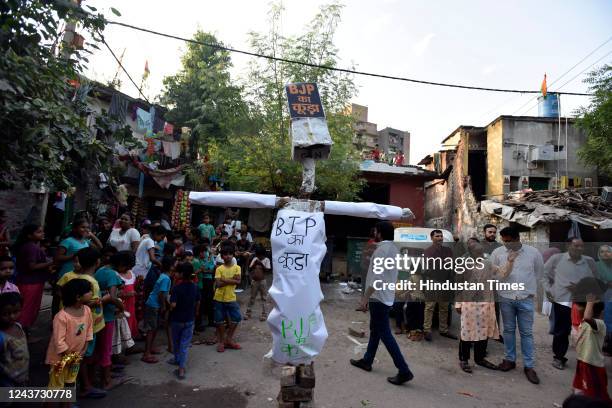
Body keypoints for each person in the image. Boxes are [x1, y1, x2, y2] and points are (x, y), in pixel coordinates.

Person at [350, 221, 414, 386]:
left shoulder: (383, 250)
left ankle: (404, 370)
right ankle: (367, 360)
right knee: (375, 330)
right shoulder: (392, 248)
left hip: (378, 297)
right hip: (384, 296)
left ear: (380, 233)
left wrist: (365, 299)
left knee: (384, 333)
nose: (374, 233)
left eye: (376, 231)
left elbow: (377, 279)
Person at [491, 226, 543, 384]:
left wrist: (533, 293)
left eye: (509, 241)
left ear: (517, 239)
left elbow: (539, 274)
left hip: (525, 298)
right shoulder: (498, 253)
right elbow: (493, 273)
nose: (506, 244)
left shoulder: (533, 253)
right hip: (506, 297)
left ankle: (529, 366)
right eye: (504, 241)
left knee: (526, 333)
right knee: (508, 330)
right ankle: (509, 360)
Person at [455, 239, 516, 373]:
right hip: (469, 304)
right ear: (471, 253)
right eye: (478, 252)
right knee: (467, 332)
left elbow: (503, 273)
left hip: (485, 304)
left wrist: (510, 261)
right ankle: (464, 359)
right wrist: (458, 303)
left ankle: (479, 358)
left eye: (482, 252)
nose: (481, 255)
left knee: (483, 331)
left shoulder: (488, 264)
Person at [56, 247, 106, 399]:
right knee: (80, 358)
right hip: (85, 327)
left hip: (75, 325)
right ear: (97, 262)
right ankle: (82, 387)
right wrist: (106, 299)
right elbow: (89, 304)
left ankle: (81, 386)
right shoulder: (91, 283)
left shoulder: (71, 277)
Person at [543, 238, 597, 370]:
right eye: (576, 246)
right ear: (568, 246)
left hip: (582, 303)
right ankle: (559, 357)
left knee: (585, 329)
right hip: (563, 302)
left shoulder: (588, 261)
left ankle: (587, 358)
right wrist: (549, 290)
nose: (579, 249)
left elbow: (595, 280)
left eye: (581, 247)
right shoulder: (557, 259)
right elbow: (543, 275)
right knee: (561, 331)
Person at [46, 279, 93, 394]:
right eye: (89, 291)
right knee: (55, 388)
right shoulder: (61, 317)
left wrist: (83, 350)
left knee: (70, 385)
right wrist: (71, 357)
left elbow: (88, 331)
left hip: (76, 358)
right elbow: (59, 342)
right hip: (60, 361)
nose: (92, 293)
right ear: (78, 297)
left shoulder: (87, 310)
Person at [94, 251, 128, 390]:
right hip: (107, 316)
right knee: (106, 348)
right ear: (121, 264)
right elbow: (113, 297)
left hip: (97, 314)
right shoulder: (113, 275)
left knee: (99, 347)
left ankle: (101, 374)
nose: (127, 270)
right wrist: (121, 307)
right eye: (127, 267)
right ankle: (106, 380)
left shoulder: (101, 269)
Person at [13, 225, 53, 329]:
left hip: (26, 281)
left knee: (26, 308)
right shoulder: (32, 247)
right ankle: (22, 331)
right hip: (31, 283)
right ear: (30, 235)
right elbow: (32, 266)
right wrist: (51, 262)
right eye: (39, 232)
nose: (42, 233)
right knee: (27, 309)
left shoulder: (28, 246)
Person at [573, 295, 609, 401]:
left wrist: (590, 301)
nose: (579, 310)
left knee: (595, 395)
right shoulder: (584, 323)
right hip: (583, 361)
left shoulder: (600, 324)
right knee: (580, 388)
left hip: (593, 365)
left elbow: (588, 317)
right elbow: (580, 309)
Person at [422, 229, 456, 341]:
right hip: (433, 281)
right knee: (430, 307)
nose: (440, 238)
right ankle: (427, 330)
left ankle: (443, 330)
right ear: (431, 238)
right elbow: (430, 267)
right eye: (437, 236)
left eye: (441, 236)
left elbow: (451, 265)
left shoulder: (448, 250)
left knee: (444, 307)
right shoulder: (427, 251)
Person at [169, 262, 200, 380]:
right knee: (184, 344)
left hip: (177, 319)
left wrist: (168, 305)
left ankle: (179, 365)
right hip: (189, 319)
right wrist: (196, 313)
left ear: (181, 274)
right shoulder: (195, 286)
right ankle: (180, 364)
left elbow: (173, 305)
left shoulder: (176, 288)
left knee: (177, 342)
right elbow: (198, 302)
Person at [141, 256, 174, 364]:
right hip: (154, 305)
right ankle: (146, 353)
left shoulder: (164, 276)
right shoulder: (165, 278)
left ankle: (150, 348)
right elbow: (161, 294)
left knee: (154, 328)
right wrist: (164, 306)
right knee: (151, 329)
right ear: (171, 266)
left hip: (154, 304)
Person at [214, 244, 242, 353]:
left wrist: (224, 279)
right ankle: (221, 342)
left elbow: (238, 281)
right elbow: (218, 284)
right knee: (219, 321)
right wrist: (232, 280)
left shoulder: (237, 267)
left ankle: (228, 339)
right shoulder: (219, 268)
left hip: (231, 298)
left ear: (233, 255)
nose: (228, 256)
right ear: (222, 256)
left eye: (230, 254)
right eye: (225, 254)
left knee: (236, 318)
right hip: (219, 298)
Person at [0, 292, 29, 386]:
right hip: (7, 379)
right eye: (6, 314)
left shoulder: (18, 326)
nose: (12, 316)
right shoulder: (2, 336)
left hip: (22, 374)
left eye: (15, 312)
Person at [193, 243, 215, 331]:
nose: (205, 253)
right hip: (200, 282)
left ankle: (210, 321)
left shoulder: (208, 258)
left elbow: (210, 270)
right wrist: (204, 270)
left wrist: (205, 271)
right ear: (200, 253)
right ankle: (199, 324)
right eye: (204, 252)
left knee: (209, 301)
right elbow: (199, 271)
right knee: (200, 302)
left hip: (207, 281)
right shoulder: (196, 261)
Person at [595, 245, 612, 355]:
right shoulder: (596, 266)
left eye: (608, 251)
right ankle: (606, 344)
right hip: (601, 296)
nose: (605, 253)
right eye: (602, 252)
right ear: (599, 254)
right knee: (605, 319)